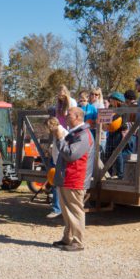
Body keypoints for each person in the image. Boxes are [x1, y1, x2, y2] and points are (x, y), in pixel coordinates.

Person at [52, 107, 94, 251]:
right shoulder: (76, 133)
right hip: (68, 179)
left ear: (77, 117)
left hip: (75, 179)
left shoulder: (83, 135)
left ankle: (78, 242)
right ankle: (68, 238)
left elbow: (70, 155)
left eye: (69, 115)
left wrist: (59, 139)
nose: (66, 116)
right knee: (67, 211)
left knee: (75, 211)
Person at [103, 92, 131, 178]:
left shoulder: (123, 107)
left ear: (116, 100)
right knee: (108, 153)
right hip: (111, 132)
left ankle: (120, 174)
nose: (110, 101)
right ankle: (108, 173)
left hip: (119, 132)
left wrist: (106, 120)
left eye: (111, 99)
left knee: (117, 153)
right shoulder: (112, 107)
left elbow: (114, 117)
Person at [44, 116, 65, 219]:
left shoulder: (61, 132)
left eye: (48, 127)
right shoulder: (55, 133)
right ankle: (57, 207)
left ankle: (57, 209)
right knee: (54, 184)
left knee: (57, 185)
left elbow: (63, 147)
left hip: (60, 162)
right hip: (56, 160)